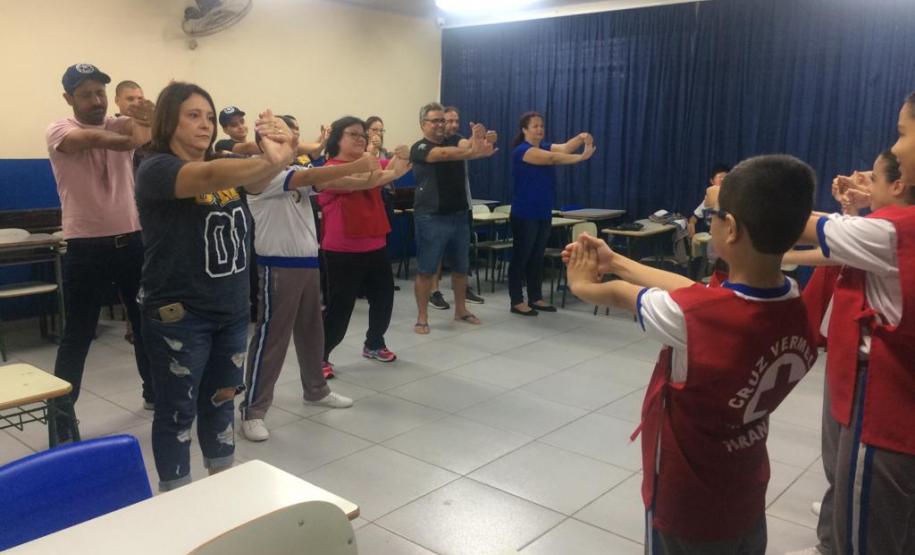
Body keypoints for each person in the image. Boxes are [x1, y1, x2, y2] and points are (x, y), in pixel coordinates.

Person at [564, 154, 818, 554]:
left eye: (713, 213)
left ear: (729, 229)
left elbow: (622, 295)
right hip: (744, 487)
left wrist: (583, 284)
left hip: (686, 504)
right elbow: (689, 290)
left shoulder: (694, 319)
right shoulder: (793, 301)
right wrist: (616, 262)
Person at [135, 81, 293, 490]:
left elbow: (255, 181)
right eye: (193, 115)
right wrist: (270, 158)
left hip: (231, 309)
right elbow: (206, 174)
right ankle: (178, 495)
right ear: (169, 120)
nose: (205, 124)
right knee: (177, 412)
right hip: (180, 315)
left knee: (222, 401)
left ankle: (220, 487)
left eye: (209, 116)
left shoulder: (227, 166)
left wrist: (273, 147)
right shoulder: (155, 168)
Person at [785, 100, 915, 553]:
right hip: (885, 395)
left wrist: (733, 197)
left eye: (902, 132)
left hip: (883, 404)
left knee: (867, 532)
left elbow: (811, 230)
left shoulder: (897, 228)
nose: (896, 145)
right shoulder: (890, 225)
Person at [239, 136, 388, 442]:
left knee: (312, 331)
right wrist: (360, 164)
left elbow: (338, 183)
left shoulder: (295, 171)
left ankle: (316, 390)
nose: (293, 143)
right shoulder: (260, 172)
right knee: (272, 339)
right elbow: (311, 176)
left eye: (293, 137)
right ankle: (253, 410)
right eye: (282, 138)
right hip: (277, 265)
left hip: (307, 263)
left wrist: (385, 169)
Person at [45, 63, 156, 441]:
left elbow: (148, 134)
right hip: (85, 246)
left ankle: (154, 394)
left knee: (145, 324)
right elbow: (121, 140)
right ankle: (61, 418)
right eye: (86, 94)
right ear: (68, 98)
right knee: (78, 332)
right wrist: (140, 125)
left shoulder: (119, 123)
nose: (95, 100)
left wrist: (149, 119)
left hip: (132, 239)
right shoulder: (61, 130)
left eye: (100, 93)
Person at [319, 116, 411, 378]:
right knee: (340, 307)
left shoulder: (370, 163)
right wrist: (385, 167)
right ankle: (320, 355)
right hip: (342, 249)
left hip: (375, 244)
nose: (361, 139)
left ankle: (374, 343)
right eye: (354, 134)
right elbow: (373, 177)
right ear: (337, 138)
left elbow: (393, 170)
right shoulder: (329, 168)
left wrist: (402, 155)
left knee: (384, 298)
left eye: (363, 135)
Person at [410, 102, 495, 334]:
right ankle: (422, 317)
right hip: (431, 216)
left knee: (461, 267)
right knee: (427, 269)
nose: (440, 125)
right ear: (423, 124)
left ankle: (461, 310)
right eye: (435, 121)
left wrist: (476, 142)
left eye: (442, 120)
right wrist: (473, 150)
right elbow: (445, 154)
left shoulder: (455, 139)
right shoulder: (419, 148)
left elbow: (465, 145)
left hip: (458, 214)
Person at [508, 111, 594, 316]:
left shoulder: (544, 146)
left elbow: (563, 147)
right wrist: (581, 157)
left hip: (543, 212)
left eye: (541, 126)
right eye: (535, 126)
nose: (540, 129)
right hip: (525, 213)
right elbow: (552, 158)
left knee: (537, 257)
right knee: (522, 257)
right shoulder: (522, 151)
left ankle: (535, 297)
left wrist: (581, 137)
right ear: (524, 130)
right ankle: (517, 300)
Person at [428, 106, 486, 309]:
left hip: (463, 203)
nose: (453, 125)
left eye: (456, 121)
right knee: (437, 251)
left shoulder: (460, 139)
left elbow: (468, 146)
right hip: (439, 207)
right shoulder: (434, 143)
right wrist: (473, 143)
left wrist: (477, 140)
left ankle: (463, 288)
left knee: (461, 250)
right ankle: (434, 291)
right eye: (448, 121)